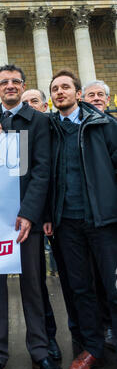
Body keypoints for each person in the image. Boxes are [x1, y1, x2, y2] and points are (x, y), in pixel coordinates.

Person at [0, 64, 64, 369]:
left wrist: (29, 213)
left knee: (33, 287)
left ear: (23, 86)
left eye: (16, 82)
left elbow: (41, 171)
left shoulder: (39, 120)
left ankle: (40, 350)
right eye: (5, 82)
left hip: (26, 218)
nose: (10, 86)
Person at [44, 69, 117, 369]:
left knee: (113, 288)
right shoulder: (48, 129)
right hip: (66, 222)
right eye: (55, 89)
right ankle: (93, 349)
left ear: (77, 93)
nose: (60, 92)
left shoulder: (104, 124)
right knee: (80, 288)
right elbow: (42, 175)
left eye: (65, 87)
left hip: (103, 219)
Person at [21, 89, 61, 361]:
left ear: (44, 104)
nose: (29, 106)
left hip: (58, 215)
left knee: (64, 281)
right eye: (25, 103)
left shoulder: (54, 126)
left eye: (34, 101)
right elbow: (30, 175)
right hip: (34, 218)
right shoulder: (23, 130)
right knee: (38, 283)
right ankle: (46, 337)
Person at [82, 79, 116, 351]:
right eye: (90, 95)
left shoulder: (111, 126)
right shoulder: (74, 127)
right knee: (89, 284)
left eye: (99, 95)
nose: (95, 99)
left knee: (112, 282)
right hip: (80, 218)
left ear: (108, 98)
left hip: (107, 215)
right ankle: (99, 336)